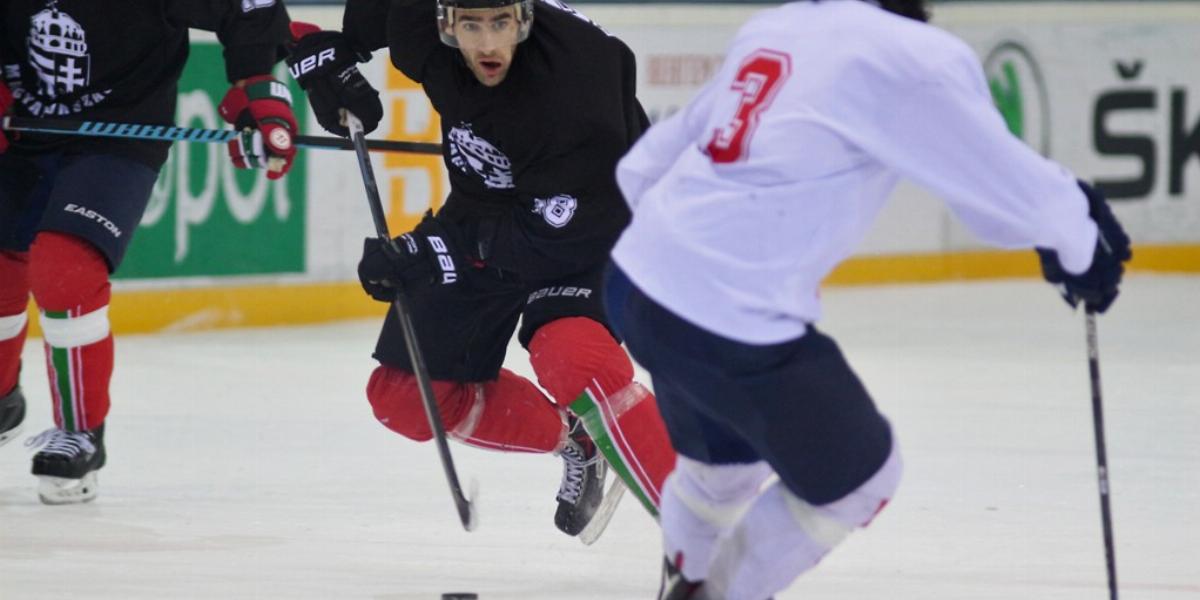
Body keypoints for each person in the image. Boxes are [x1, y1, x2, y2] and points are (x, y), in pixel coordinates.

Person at [601, 0, 1132, 597]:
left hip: (636, 282)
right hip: (727, 315)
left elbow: (646, 165)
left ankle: (686, 573)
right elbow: (997, 182)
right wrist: (1081, 244)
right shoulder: (912, 56)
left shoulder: (781, 25)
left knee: (721, 469)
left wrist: (675, 253)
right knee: (861, 477)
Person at [286, 0, 676, 536]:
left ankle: (702, 539)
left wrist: (432, 254)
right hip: (484, 209)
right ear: (443, 21)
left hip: (598, 216)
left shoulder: (575, 90)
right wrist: (329, 64)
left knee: (572, 357)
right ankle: (575, 440)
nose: (489, 45)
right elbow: (344, 32)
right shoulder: (414, 17)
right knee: (406, 399)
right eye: (471, 25)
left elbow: (559, 232)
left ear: (525, 18)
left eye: (501, 24)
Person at [0, 0, 297, 504]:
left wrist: (255, 85)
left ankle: (82, 434)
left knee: (65, 267)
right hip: (22, 129)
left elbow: (248, 9)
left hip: (117, 138)